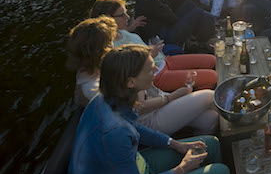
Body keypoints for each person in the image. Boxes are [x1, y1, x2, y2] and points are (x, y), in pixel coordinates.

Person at [66, 44, 230, 174]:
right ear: (131, 82)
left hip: (138, 165)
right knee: (221, 173)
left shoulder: (107, 99)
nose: (155, 72)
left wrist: (175, 144)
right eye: (150, 69)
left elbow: (136, 128)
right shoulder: (114, 132)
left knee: (212, 145)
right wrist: (182, 169)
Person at [68, 13, 217, 136]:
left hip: (157, 100)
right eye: (108, 43)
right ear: (97, 50)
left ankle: (197, 144)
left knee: (211, 119)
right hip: (148, 120)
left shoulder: (101, 66)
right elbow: (136, 109)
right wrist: (173, 96)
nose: (112, 46)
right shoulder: (92, 88)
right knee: (209, 95)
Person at [91, 0, 217, 92]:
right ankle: (196, 98)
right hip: (156, 76)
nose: (128, 17)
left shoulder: (123, 33)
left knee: (212, 60)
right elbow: (128, 73)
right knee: (212, 77)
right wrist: (150, 55)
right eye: (122, 15)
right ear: (108, 18)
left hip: (165, 61)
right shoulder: (109, 47)